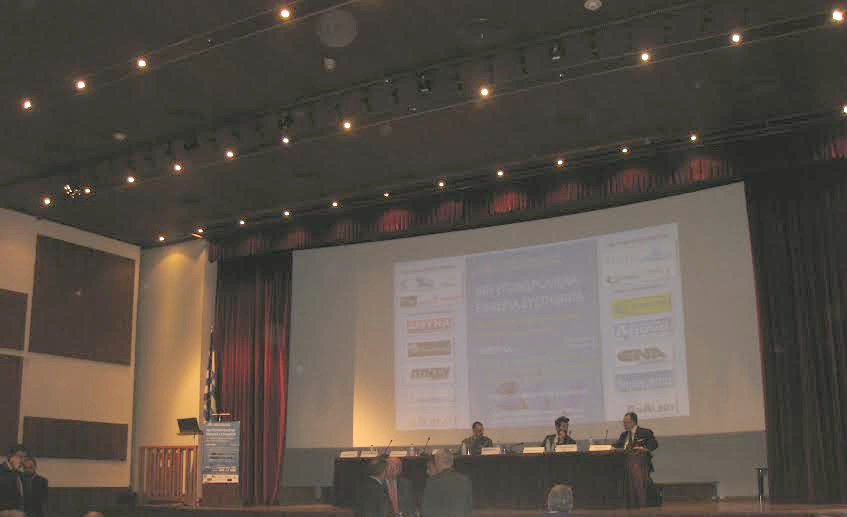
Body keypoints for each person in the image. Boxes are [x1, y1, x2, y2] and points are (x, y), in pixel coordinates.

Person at [613, 412, 658, 507]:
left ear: (633, 422)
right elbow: (617, 446)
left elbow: (654, 444)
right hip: (625, 462)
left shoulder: (645, 432)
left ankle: (641, 501)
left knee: (634, 465)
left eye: (626, 422)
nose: (624, 424)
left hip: (640, 462)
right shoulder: (624, 435)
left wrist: (644, 449)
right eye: (624, 422)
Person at [421, 449, 472, 517]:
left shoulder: (432, 482)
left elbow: (426, 512)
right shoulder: (465, 480)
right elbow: (468, 509)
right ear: (452, 462)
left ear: (438, 462)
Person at [0, 445, 26, 513]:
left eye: (24, 457)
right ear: (10, 456)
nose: (22, 460)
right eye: (20, 456)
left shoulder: (20, 473)